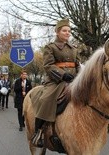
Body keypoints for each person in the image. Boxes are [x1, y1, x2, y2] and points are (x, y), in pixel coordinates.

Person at [31, 19, 81, 147]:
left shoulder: (74, 49)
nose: (67, 33)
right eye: (64, 30)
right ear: (58, 32)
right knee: (46, 99)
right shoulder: (50, 47)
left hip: (74, 80)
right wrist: (63, 75)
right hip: (56, 81)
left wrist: (80, 77)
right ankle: (38, 132)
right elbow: (48, 66)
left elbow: (78, 65)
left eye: (69, 31)